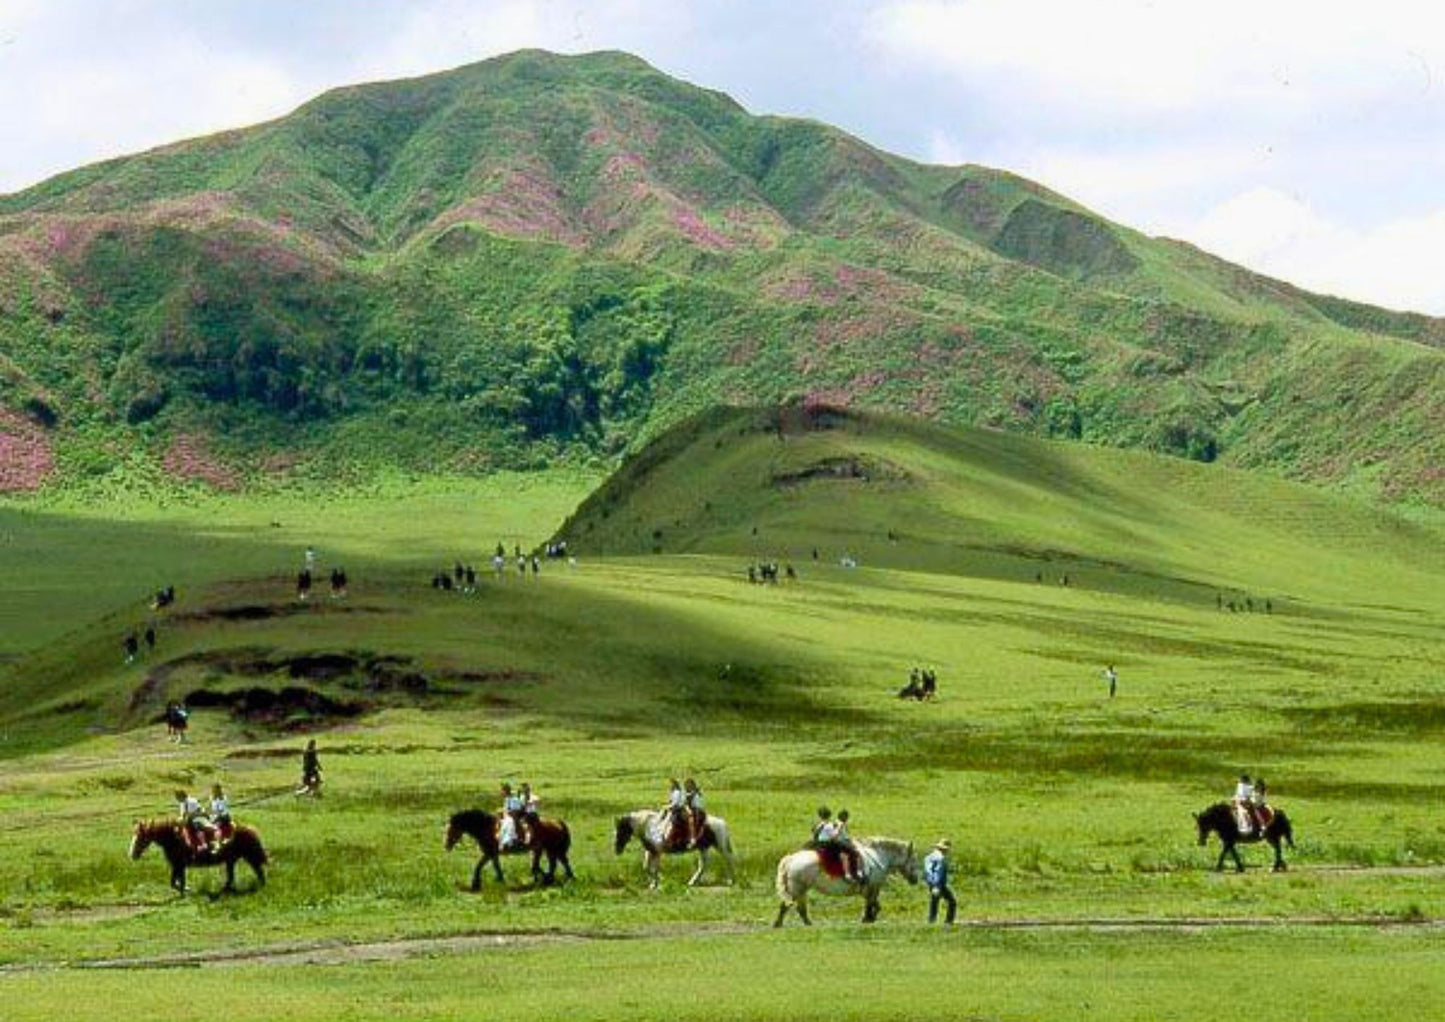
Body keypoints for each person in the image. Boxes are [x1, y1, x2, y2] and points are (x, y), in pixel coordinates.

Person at [923, 839, 956, 924]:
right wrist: (937, 885)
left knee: (934, 902)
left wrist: (931, 883)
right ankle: (948, 921)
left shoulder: (928, 857)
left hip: (930, 883)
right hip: (939, 884)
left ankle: (931, 921)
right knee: (952, 901)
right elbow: (939, 872)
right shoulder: (941, 858)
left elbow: (927, 872)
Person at [831, 809, 865, 883]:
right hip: (842, 842)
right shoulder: (841, 824)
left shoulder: (834, 822)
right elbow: (836, 834)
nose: (847, 819)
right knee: (857, 854)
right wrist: (836, 835)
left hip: (841, 842)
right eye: (847, 817)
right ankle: (859, 872)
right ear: (844, 817)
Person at [175, 788, 210, 857]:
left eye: (177, 797)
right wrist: (180, 819)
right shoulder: (182, 803)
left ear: (181, 796)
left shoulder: (191, 801)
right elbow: (183, 814)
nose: (177, 799)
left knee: (196, 826)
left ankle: (203, 844)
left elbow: (198, 811)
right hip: (188, 819)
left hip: (198, 818)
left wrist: (187, 818)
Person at [498, 782, 525, 850]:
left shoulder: (514, 800)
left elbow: (516, 811)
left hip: (513, 818)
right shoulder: (507, 800)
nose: (501, 793)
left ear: (506, 791)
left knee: (509, 823)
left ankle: (512, 841)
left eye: (502, 791)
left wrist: (508, 813)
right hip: (507, 817)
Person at [662, 779, 687, 849]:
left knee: (673, 822)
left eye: (672, 784)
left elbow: (675, 804)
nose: (670, 786)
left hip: (677, 809)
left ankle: (669, 838)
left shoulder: (677, 792)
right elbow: (670, 801)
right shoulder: (673, 792)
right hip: (673, 808)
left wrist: (668, 806)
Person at [683, 778, 706, 848]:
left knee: (691, 821)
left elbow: (699, 801)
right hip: (691, 809)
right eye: (687, 785)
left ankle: (693, 837)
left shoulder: (697, 792)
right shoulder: (689, 793)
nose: (688, 786)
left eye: (689, 785)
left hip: (697, 809)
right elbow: (686, 801)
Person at [208, 783, 233, 849]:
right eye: (213, 790)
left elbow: (221, 811)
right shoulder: (211, 797)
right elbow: (210, 807)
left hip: (223, 815)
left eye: (216, 790)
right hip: (214, 815)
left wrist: (213, 815)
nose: (214, 792)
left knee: (216, 824)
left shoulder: (223, 798)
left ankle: (218, 841)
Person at [519, 782, 540, 847]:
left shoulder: (534, 797)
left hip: (532, 813)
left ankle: (528, 838)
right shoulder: (522, 797)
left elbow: (537, 801)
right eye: (523, 789)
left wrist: (530, 802)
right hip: (525, 813)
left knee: (526, 823)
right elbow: (521, 806)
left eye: (525, 789)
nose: (524, 791)